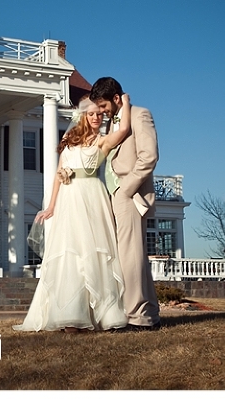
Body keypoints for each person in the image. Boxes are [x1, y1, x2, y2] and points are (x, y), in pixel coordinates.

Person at [13, 94, 132, 333]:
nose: (97, 117)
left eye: (100, 114)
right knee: (69, 253)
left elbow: (125, 130)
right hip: (69, 198)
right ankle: (68, 314)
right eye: (92, 114)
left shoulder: (102, 141)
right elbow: (59, 172)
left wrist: (125, 104)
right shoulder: (69, 139)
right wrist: (51, 207)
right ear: (83, 116)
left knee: (93, 251)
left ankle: (104, 313)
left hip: (91, 196)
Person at [90, 76, 161, 331]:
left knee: (131, 257)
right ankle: (148, 314)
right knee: (131, 256)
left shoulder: (140, 115)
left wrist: (127, 188)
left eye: (104, 107)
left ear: (117, 98)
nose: (102, 113)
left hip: (128, 193)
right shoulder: (114, 124)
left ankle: (137, 317)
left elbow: (149, 156)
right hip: (113, 194)